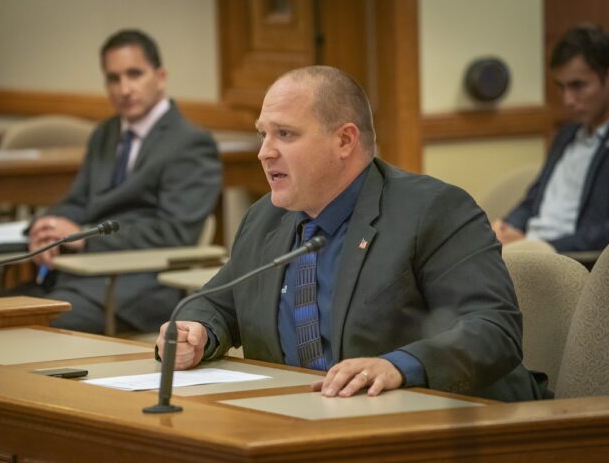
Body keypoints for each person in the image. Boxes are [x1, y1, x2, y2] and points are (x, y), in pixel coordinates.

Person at [156, 66, 545, 402]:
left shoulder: (432, 211)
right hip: (304, 423)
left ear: (344, 140)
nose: (265, 152)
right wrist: (197, 332)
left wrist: (399, 367)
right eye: (263, 135)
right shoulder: (266, 219)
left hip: (451, 425)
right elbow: (219, 302)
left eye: (285, 135)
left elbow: (493, 329)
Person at [17, 30, 221, 333]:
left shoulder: (191, 142)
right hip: (76, 279)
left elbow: (176, 232)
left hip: (139, 287)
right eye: (113, 78)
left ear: (161, 76)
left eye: (134, 74)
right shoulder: (105, 133)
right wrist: (47, 225)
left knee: (25, 325)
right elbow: (78, 201)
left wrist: (84, 236)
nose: (124, 89)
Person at [493, 24, 609, 252]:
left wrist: (538, 246)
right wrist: (505, 227)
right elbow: (533, 200)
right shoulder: (567, 134)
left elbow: (601, 233)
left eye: (578, 86)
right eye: (561, 87)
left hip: (573, 258)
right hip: (531, 249)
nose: (567, 100)